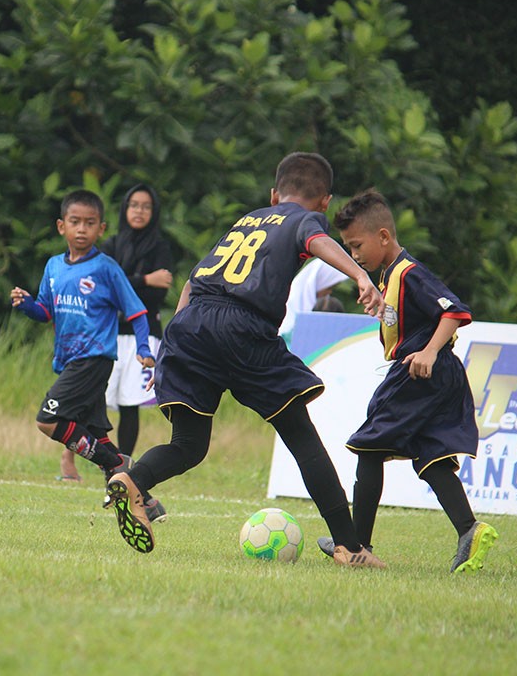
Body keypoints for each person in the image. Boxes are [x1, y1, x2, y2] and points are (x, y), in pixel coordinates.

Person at [102, 152, 385, 567]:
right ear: (324, 202)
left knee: (188, 445)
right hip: (241, 327)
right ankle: (350, 546)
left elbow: (190, 282)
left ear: (273, 193)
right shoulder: (302, 218)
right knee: (302, 438)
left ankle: (133, 479)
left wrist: (175, 347)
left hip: (191, 324)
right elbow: (316, 242)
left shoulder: (249, 219)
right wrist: (360, 275)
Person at [319, 188, 498, 573]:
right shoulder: (389, 278)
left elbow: (454, 312)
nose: (354, 256)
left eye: (356, 246)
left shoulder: (409, 272)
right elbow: (409, 319)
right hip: (440, 376)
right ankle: (469, 530)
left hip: (418, 372)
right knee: (431, 457)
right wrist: (384, 310)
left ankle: (355, 546)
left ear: (383, 236)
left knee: (368, 448)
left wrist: (429, 351)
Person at [11, 189, 166, 522]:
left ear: (101, 229)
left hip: (94, 359)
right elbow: (45, 311)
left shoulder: (107, 269)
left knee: (48, 420)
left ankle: (112, 465)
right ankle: (146, 501)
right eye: (75, 222)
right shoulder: (53, 266)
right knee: (97, 435)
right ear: (61, 226)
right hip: (70, 359)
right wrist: (27, 305)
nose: (81, 229)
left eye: (90, 223)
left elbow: (137, 311)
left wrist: (142, 349)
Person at [58, 184, 173, 481]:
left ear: (154, 211)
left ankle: (122, 470)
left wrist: (126, 287)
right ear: (125, 209)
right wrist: (146, 279)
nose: (139, 211)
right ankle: (68, 459)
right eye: (134, 204)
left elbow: (155, 299)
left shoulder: (161, 247)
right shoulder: (109, 245)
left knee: (129, 404)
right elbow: (105, 287)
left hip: (142, 333)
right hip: (105, 334)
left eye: (146, 206)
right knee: (89, 400)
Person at [278, 257, 348, 340]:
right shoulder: (290, 313)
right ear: (320, 282)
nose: (329, 293)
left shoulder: (324, 305)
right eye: (329, 288)